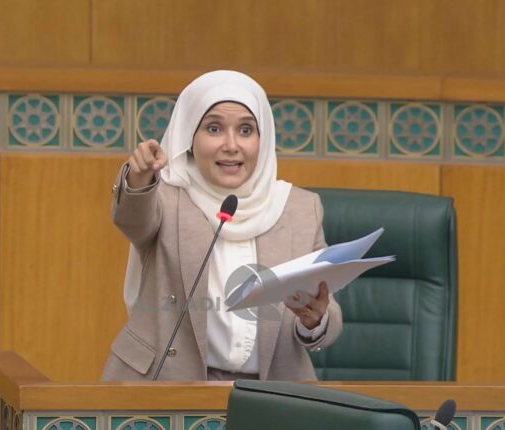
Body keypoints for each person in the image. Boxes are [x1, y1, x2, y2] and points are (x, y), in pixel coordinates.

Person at [102, 70, 342, 381]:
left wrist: (315, 320)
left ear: (262, 140)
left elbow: (328, 310)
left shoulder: (299, 208)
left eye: (245, 130)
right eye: (214, 129)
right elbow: (132, 220)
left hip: (272, 392)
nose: (231, 145)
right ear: (190, 137)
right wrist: (139, 177)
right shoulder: (165, 196)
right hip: (169, 385)